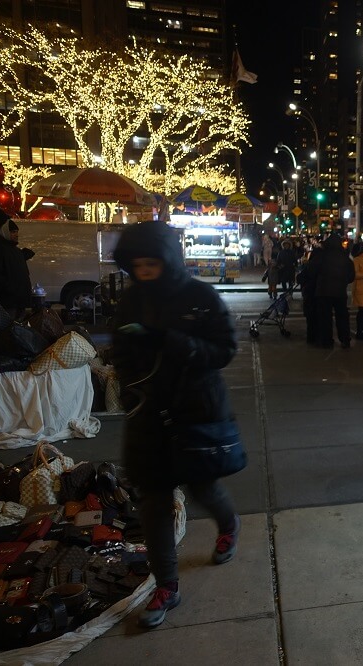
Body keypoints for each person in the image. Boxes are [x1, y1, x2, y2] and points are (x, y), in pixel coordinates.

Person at [110, 220, 240, 630]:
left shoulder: (199, 295)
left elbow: (224, 349)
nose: (145, 271)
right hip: (148, 413)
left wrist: (172, 341)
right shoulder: (131, 299)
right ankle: (167, 584)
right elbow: (118, 350)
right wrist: (130, 379)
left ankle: (229, 524)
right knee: (154, 501)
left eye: (152, 262)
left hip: (195, 409)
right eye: (138, 264)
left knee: (203, 486)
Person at [0, 204, 32, 318]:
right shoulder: (0, 246)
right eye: (13, 231)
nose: (16, 234)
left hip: (11, 300)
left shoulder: (5, 247)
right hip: (8, 300)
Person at [312, 233, 355, 348]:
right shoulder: (345, 257)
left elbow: (312, 270)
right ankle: (345, 338)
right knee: (342, 316)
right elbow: (351, 276)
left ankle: (326, 340)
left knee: (325, 317)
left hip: (323, 291)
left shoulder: (321, 255)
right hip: (340, 291)